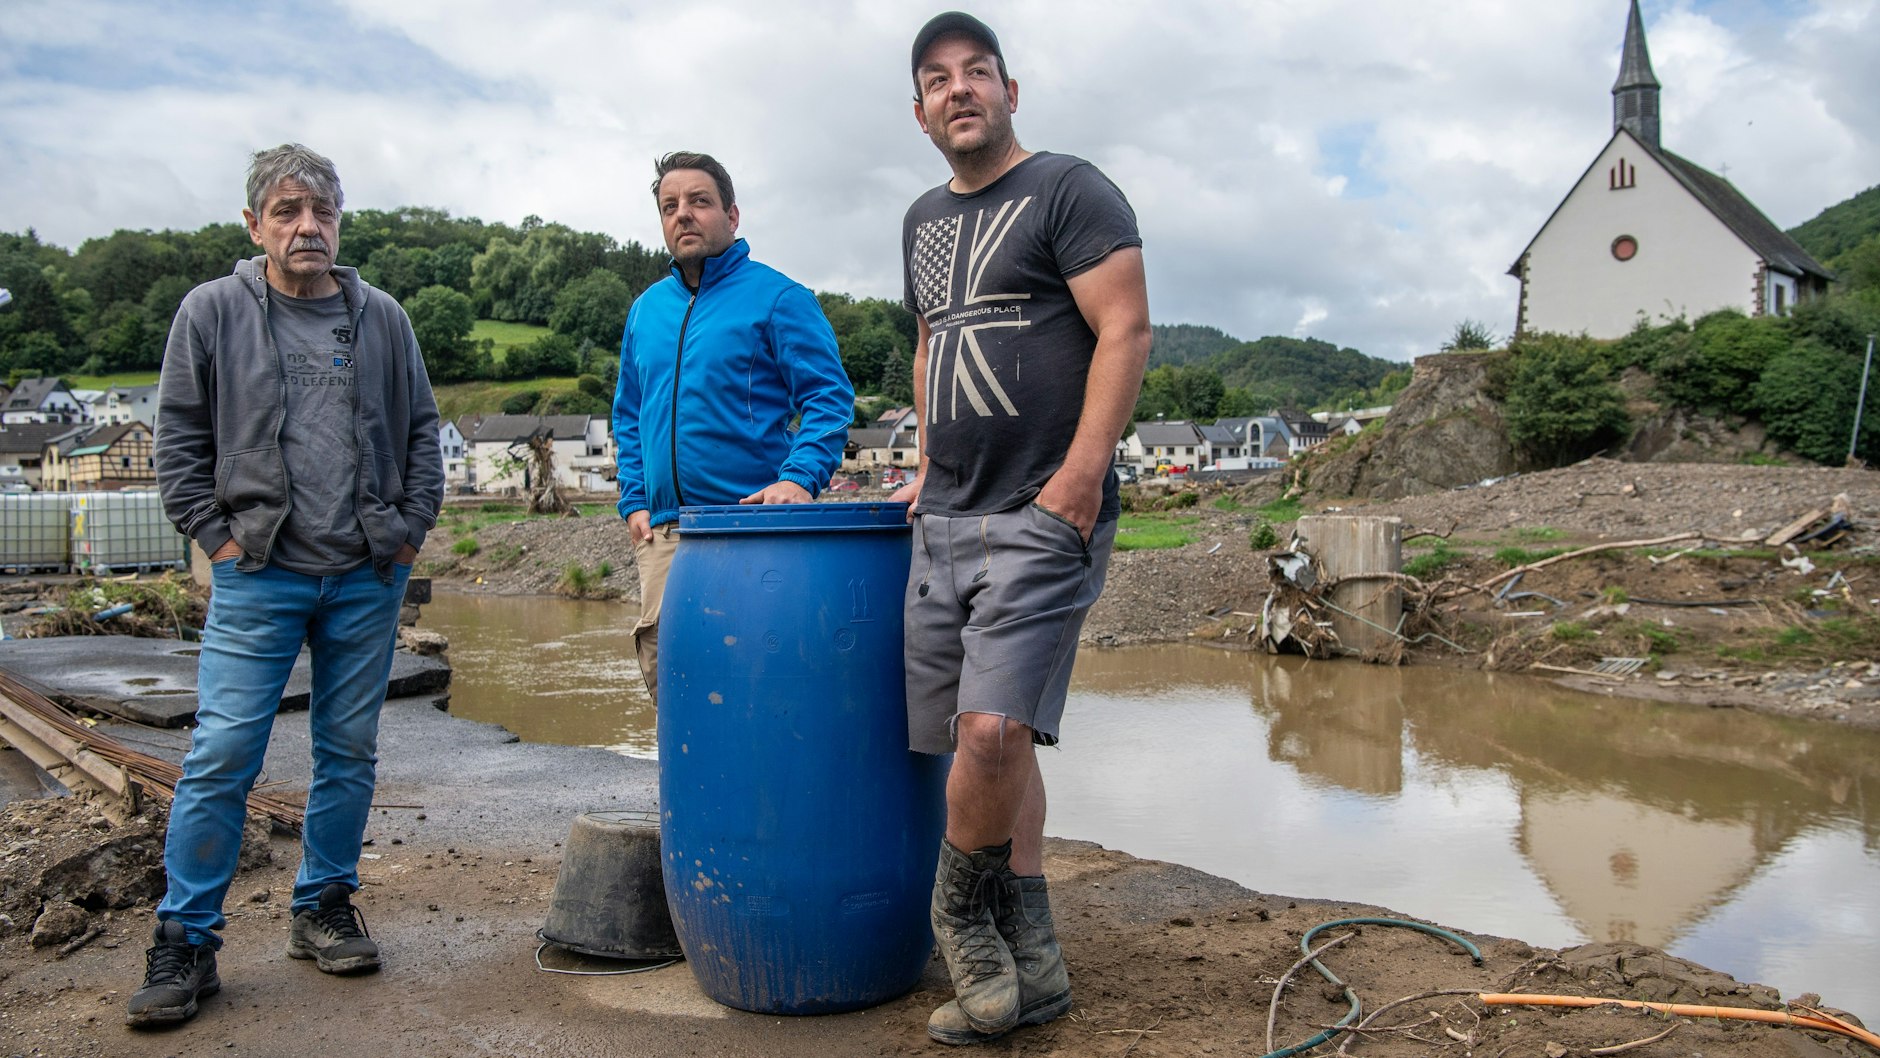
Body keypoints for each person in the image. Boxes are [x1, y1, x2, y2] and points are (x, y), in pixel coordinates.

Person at [133, 144, 443, 1027]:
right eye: (288, 210)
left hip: (365, 573)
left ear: (340, 223)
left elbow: (423, 428)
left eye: (323, 212)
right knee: (224, 751)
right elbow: (179, 438)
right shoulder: (212, 311)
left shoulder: (380, 315)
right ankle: (186, 939)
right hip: (259, 572)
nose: (308, 226)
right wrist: (215, 540)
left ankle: (322, 907)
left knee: (348, 751)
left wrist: (411, 529)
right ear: (254, 224)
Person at [895, 12, 1152, 1046]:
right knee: (987, 733)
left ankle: (956, 916)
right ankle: (1033, 962)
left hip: (1043, 507)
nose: (959, 90)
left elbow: (1125, 326)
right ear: (918, 111)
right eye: (938, 80)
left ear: (1009, 90)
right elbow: (927, 338)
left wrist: (1081, 477)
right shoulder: (918, 217)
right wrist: (920, 459)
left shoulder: (1070, 190)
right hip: (946, 510)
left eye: (976, 73)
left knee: (993, 728)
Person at [612, 151, 854, 702]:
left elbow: (828, 396)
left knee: (757, 681)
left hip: (752, 530)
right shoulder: (646, 310)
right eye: (670, 206)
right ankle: (693, 791)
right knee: (671, 679)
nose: (683, 215)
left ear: (732, 215)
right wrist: (634, 500)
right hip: (666, 532)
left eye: (699, 201)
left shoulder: (779, 298)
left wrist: (799, 479)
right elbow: (628, 412)